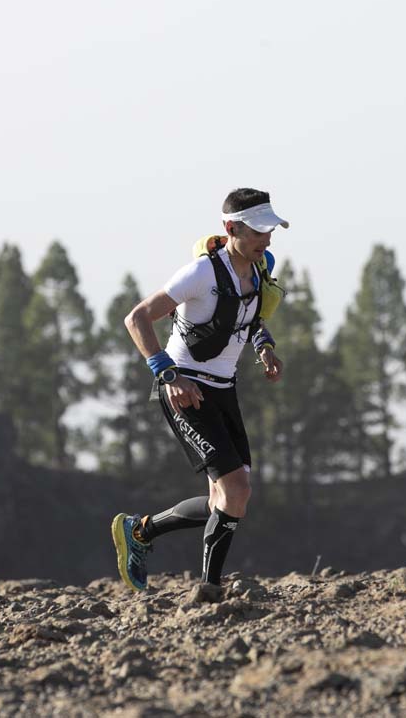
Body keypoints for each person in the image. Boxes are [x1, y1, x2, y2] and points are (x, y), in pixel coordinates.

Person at [112, 188, 289, 602]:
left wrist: (265, 347)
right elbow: (136, 318)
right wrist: (168, 374)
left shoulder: (262, 266)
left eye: (271, 229)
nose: (268, 239)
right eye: (260, 230)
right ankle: (209, 590)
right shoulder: (201, 274)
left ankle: (140, 531)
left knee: (225, 500)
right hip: (185, 390)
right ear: (231, 229)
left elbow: (251, 318)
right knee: (236, 491)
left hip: (224, 390)